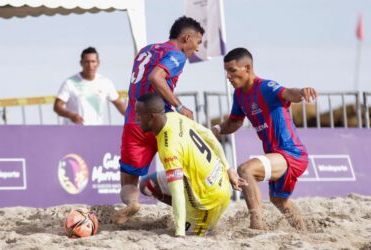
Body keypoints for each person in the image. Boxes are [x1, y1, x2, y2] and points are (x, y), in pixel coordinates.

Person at [212, 48, 317, 231]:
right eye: (226, 71)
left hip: (291, 153)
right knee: (279, 200)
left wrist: (301, 92)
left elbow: (288, 93)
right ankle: (305, 233)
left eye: (232, 71)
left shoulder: (265, 87)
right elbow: (234, 122)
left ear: (247, 68)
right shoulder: (239, 95)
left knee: (245, 170)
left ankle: (257, 226)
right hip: (276, 156)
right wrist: (217, 129)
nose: (228, 76)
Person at [114, 16, 205, 224]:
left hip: (134, 121)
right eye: (197, 42)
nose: (197, 49)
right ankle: (194, 210)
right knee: (184, 171)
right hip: (161, 122)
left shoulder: (146, 50)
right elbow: (156, 77)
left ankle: (131, 204)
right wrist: (179, 106)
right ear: (187, 37)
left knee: (128, 182)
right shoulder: (177, 54)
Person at [136, 93, 248, 237]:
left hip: (210, 201)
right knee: (146, 185)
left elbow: (177, 192)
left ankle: (191, 221)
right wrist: (228, 168)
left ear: (151, 116)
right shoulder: (174, 117)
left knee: (189, 236)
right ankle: (185, 212)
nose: (136, 118)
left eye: (139, 114)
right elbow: (208, 134)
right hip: (219, 178)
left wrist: (179, 234)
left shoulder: (169, 147)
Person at [54, 47, 126, 125]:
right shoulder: (69, 82)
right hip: (74, 131)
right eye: (87, 62)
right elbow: (57, 106)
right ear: (81, 63)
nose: (90, 65)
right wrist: (70, 115)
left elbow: (119, 104)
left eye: (93, 61)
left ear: (98, 63)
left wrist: (135, 119)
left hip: (96, 131)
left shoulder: (105, 82)